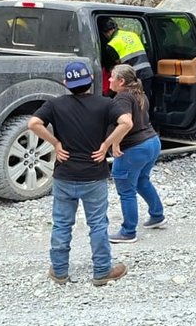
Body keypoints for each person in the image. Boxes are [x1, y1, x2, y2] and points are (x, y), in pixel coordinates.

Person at [28, 61, 129, 286]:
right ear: (90, 81)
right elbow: (126, 122)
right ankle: (102, 271)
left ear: (66, 83)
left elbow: (33, 123)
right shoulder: (105, 104)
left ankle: (60, 271)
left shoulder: (55, 105)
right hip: (94, 175)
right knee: (98, 224)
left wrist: (55, 143)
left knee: (62, 224)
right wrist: (106, 145)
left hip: (64, 175)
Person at [108, 63, 166, 243]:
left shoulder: (122, 98)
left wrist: (114, 142)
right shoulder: (140, 94)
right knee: (142, 180)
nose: (109, 79)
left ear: (121, 81)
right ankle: (157, 215)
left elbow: (126, 123)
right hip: (152, 143)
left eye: (112, 76)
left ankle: (128, 231)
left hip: (134, 148)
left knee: (126, 190)